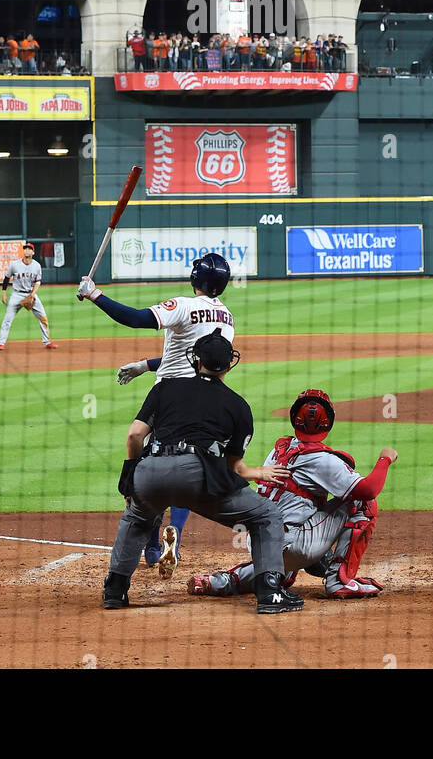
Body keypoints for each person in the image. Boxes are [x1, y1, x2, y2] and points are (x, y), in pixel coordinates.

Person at [101, 329, 302, 615]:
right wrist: (259, 471)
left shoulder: (164, 387)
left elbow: (135, 435)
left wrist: (130, 482)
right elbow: (234, 467)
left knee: (138, 515)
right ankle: (270, 593)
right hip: (199, 477)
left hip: (150, 472)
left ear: (196, 360)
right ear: (230, 364)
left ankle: (115, 590)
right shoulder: (238, 406)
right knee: (266, 515)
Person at [80, 251, 237, 573]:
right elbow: (200, 356)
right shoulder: (228, 318)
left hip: (169, 395)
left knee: (141, 449)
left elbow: (136, 319)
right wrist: (145, 365)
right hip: (206, 399)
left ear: (196, 279)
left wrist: (94, 294)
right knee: (188, 465)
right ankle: (175, 532)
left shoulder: (183, 305)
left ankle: (149, 538)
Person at [187, 387, 396, 603]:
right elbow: (369, 489)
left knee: (280, 573)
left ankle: (221, 581)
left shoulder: (279, 450)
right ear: (329, 422)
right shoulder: (322, 460)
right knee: (364, 503)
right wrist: (385, 459)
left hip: (260, 542)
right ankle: (339, 581)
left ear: (295, 419)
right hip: (295, 546)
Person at [0, 241, 57, 350]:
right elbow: (6, 278)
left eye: (29, 249)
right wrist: (3, 293)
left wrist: (33, 295)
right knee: (7, 319)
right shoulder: (15, 264)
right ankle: (1, 343)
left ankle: (47, 342)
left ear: (33, 252)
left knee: (43, 317)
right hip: (16, 295)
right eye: (25, 248)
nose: (27, 250)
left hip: (30, 294)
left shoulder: (37, 266)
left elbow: (38, 282)